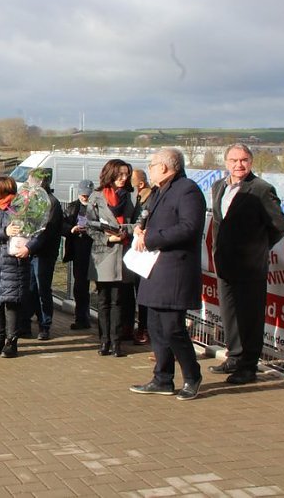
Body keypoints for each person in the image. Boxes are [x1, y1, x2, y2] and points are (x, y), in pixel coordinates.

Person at [129, 148, 205, 401]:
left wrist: (151, 238)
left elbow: (189, 227)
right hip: (155, 269)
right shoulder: (160, 191)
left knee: (173, 328)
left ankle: (192, 376)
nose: (149, 170)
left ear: (163, 167)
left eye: (151, 165)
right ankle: (162, 379)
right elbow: (150, 219)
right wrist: (140, 229)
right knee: (156, 327)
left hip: (175, 270)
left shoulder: (187, 190)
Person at [209, 143, 284, 384]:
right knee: (230, 314)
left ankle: (248, 366)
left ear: (251, 162)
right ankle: (234, 357)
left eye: (243, 160)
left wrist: (258, 248)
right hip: (224, 263)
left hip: (250, 266)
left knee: (250, 317)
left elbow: (279, 225)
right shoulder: (218, 186)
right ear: (226, 163)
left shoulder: (262, 189)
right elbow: (219, 222)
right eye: (234, 160)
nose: (239, 165)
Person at [86, 160, 135, 357]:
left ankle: (116, 342)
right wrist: (107, 238)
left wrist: (124, 231)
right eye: (120, 174)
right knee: (103, 300)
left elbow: (138, 222)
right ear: (111, 174)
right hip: (103, 253)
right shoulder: (97, 196)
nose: (123, 178)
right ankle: (104, 341)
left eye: (126, 175)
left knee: (118, 300)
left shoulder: (129, 196)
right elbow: (90, 225)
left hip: (123, 253)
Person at [0, 176, 31, 358]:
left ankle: (11, 342)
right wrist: (4, 232)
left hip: (14, 263)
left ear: (2, 189)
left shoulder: (21, 209)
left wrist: (27, 246)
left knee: (11, 304)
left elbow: (33, 233)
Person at [15, 168, 63, 341]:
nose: (29, 184)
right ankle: (25, 325)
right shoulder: (30, 200)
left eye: (32, 180)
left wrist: (30, 247)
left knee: (42, 289)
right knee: (29, 289)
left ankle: (44, 325)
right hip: (29, 251)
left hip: (44, 254)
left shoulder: (52, 203)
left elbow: (46, 231)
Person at [61, 179, 95, 330]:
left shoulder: (98, 207)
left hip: (96, 250)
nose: (85, 197)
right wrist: (71, 229)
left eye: (87, 195)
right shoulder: (72, 207)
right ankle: (81, 318)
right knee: (80, 286)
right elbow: (62, 225)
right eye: (83, 195)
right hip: (79, 250)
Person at [130, 169, 153, 345]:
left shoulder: (150, 199)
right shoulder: (138, 199)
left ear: (141, 183)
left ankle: (145, 328)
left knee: (145, 293)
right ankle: (141, 326)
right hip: (137, 251)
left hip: (148, 252)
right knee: (138, 292)